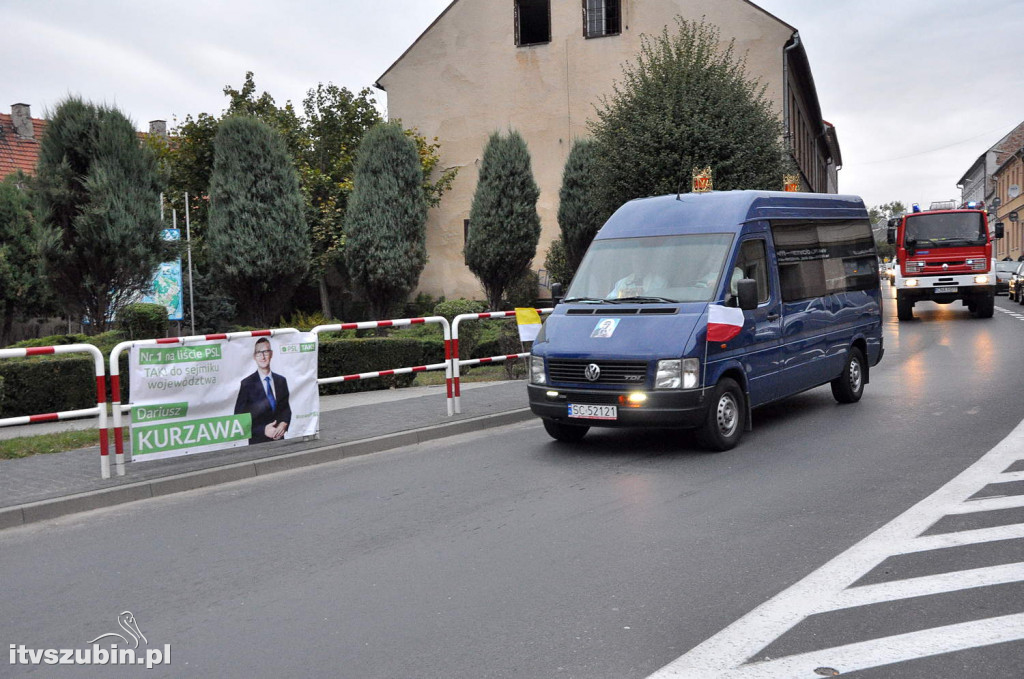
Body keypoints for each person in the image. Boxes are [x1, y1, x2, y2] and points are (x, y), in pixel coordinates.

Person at [234, 337, 291, 444]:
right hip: (257, 443)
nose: (263, 357)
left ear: (271, 354)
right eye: (259, 353)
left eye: (266, 352)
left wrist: (284, 423)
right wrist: (262, 430)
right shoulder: (247, 384)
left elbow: (286, 408)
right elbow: (239, 418)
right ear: (254, 357)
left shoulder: (281, 381)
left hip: (280, 441)